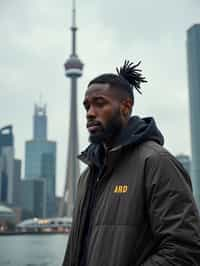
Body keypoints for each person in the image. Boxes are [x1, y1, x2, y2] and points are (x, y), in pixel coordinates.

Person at [63, 60, 200, 266]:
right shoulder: (87, 176)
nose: (90, 113)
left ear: (126, 107)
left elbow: (184, 250)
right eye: (87, 106)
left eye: (100, 103)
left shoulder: (156, 163)